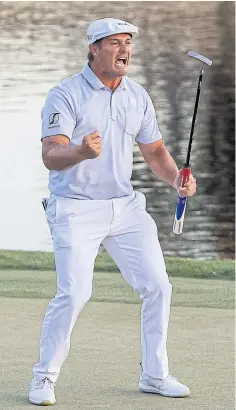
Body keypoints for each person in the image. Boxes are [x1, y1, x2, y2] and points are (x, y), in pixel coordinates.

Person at [29, 18, 197, 405]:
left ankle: (155, 375)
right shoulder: (65, 94)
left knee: (158, 287)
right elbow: (50, 155)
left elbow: (154, 151)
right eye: (114, 43)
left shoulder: (136, 95)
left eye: (128, 43)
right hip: (74, 208)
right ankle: (43, 378)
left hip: (125, 208)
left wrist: (176, 180)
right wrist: (80, 151)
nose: (124, 50)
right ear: (93, 48)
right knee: (74, 294)